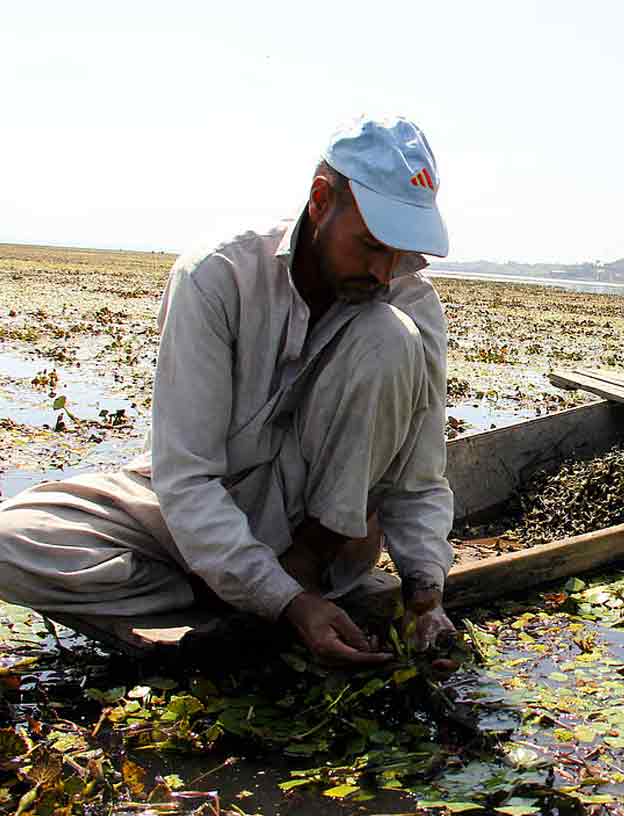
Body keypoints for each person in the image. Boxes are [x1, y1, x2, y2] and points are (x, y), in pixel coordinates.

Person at [0, 115, 457, 667]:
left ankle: (286, 571)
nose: (385, 272)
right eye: (369, 246)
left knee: (388, 333)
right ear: (319, 200)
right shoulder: (217, 275)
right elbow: (186, 475)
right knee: (12, 542)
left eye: (401, 253)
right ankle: (236, 581)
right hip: (202, 510)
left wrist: (424, 593)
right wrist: (281, 599)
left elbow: (418, 476)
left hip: (327, 537)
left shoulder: (408, 303)